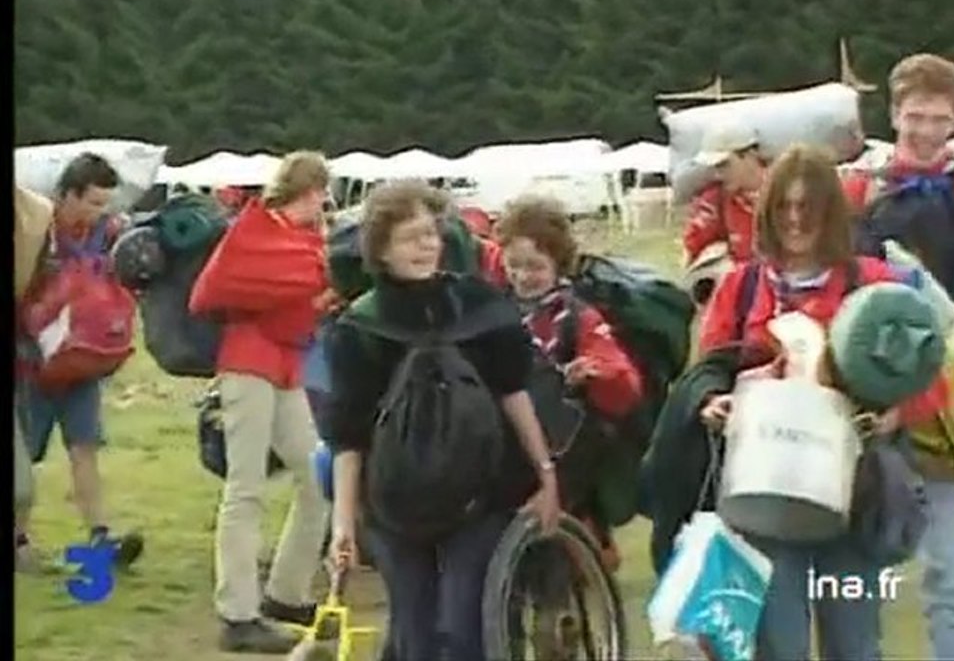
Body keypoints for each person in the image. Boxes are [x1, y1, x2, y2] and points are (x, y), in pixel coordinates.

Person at [698, 143, 945, 660]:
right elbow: (707, 370)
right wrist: (713, 402)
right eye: (784, 206)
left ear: (830, 211)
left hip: (854, 506)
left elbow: (931, 376)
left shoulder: (875, 282)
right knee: (779, 645)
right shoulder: (740, 287)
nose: (794, 219)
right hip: (763, 500)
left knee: (853, 644)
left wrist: (894, 414)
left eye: (807, 207)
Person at [323, 179, 561, 661]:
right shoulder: (359, 329)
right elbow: (349, 436)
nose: (426, 246)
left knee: (461, 621)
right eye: (411, 237)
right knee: (413, 626)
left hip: (482, 487)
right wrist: (342, 524)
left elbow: (514, 394)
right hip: (394, 499)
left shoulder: (479, 308)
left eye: (431, 234)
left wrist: (546, 475)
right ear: (382, 250)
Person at [189, 151, 337, 654]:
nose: (324, 199)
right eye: (320, 189)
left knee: (318, 478)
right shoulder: (255, 233)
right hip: (248, 363)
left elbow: (297, 297)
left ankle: (286, 592)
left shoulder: (306, 242)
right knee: (245, 486)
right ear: (308, 189)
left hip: (286, 364)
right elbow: (220, 291)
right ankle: (238, 613)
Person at [843, 52, 954, 661]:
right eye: (914, 116)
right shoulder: (862, 193)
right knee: (860, 567)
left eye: (938, 119)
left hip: (953, 405)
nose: (924, 130)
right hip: (881, 393)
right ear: (893, 114)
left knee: (951, 575)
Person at [495, 194, 644, 568]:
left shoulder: (579, 317)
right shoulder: (494, 310)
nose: (523, 276)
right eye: (514, 265)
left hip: (565, 445)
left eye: (535, 267)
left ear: (558, 266)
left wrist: (593, 370)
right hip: (506, 436)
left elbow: (624, 381)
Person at [16, 154, 143, 572]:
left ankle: (100, 535)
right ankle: (19, 542)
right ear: (67, 195)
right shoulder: (35, 230)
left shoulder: (107, 235)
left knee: (84, 448)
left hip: (84, 362)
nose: (98, 212)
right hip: (32, 365)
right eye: (91, 202)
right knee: (25, 459)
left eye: (104, 203)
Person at [14, 186, 54, 572]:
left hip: (22, 350)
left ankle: (19, 540)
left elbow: (40, 284)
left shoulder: (36, 214)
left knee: (22, 480)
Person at [682, 120, 767, 269]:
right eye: (715, 167)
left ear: (750, 155)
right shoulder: (715, 200)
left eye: (724, 165)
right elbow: (692, 252)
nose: (718, 175)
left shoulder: (791, 191)